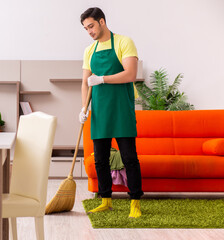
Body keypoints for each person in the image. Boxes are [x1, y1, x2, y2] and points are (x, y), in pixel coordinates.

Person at [79, 7, 144, 218]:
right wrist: (83, 107)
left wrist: (103, 79)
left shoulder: (124, 42)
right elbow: (85, 83)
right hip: (100, 110)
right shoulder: (89, 50)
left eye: (91, 26)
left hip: (121, 109)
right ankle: (105, 200)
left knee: (129, 157)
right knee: (100, 159)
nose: (89, 31)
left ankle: (135, 202)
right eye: (85, 28)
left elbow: (130, 74)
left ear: (102, 22)